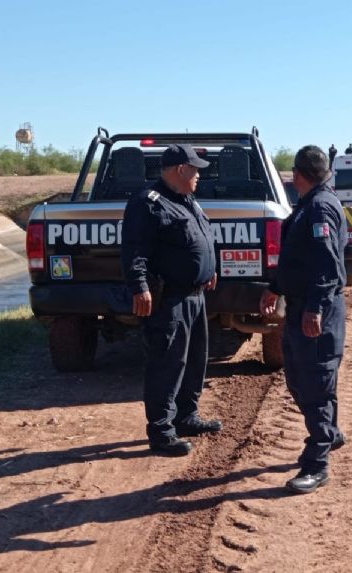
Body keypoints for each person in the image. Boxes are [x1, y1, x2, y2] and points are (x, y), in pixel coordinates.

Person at [121, 144, 221, 456]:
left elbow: (200, 237)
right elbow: (134, 249)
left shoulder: (186, 200)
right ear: (180, 170)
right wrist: (139, 286)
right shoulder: (148, 203)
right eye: (195, 170)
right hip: (169, 300)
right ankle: (162, 431)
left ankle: (186, 416)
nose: (199, 176)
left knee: (194, 361)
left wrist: (210, 268)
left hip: (195, 296)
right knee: (167, 364)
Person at [260, 145, 348, 494]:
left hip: (317, 310)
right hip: (301, 305)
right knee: (302, 380)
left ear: (298, 175)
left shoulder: (320, 208)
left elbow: (327, 267)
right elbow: (298, 259)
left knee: (315, 383)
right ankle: (332, 433)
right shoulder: (308, 205)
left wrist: (315, 308)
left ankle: (317, 462)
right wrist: (275, 287)